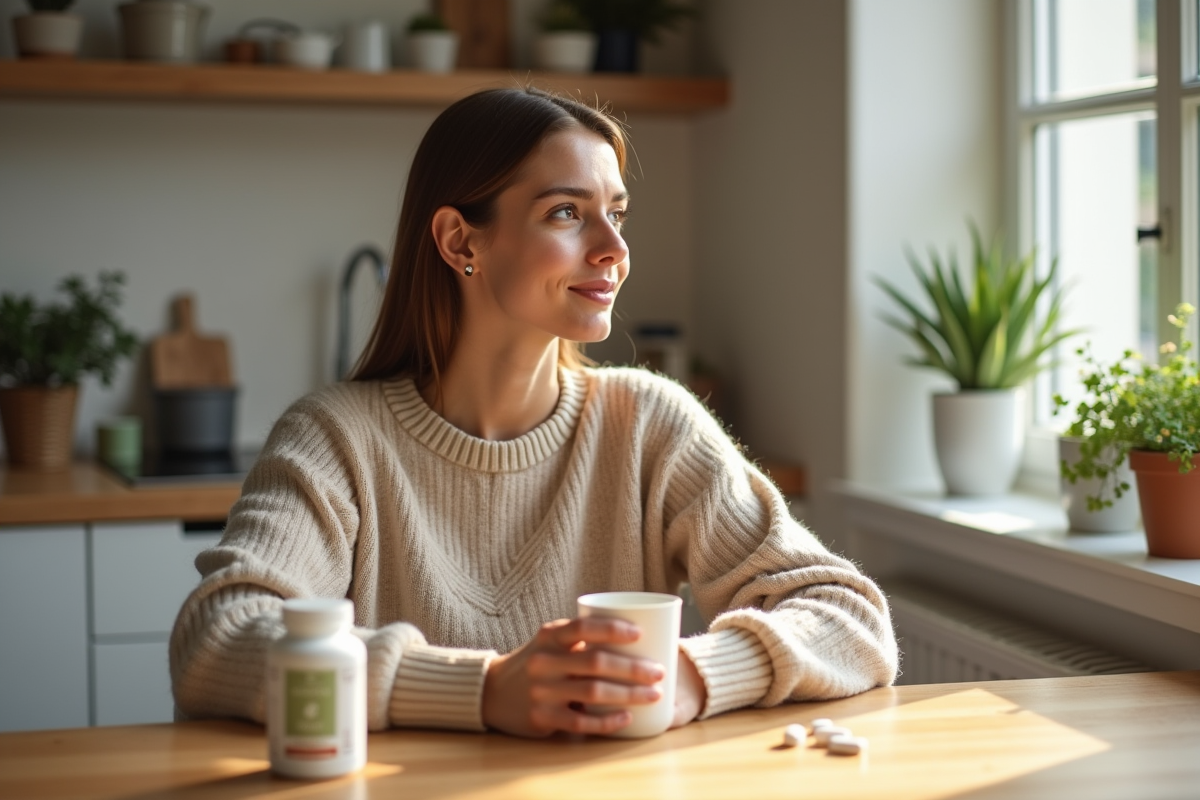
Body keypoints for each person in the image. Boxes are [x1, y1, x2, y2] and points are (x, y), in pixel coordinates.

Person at [169, 87, 898, 738]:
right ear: (461, 241)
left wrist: (694, 675)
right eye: (566, 213)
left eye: (615, 214)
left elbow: (851, 619)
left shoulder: (651, 426)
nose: (614, 249)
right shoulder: (336, 438)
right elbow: (217, 637)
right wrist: (480, 690)